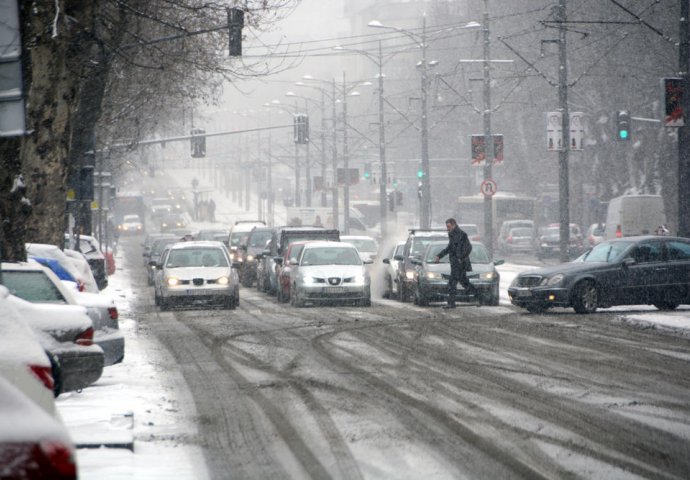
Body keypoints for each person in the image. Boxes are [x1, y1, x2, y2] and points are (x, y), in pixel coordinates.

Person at [434, 217, 477, 309]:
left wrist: (460, 257)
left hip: (459, 264)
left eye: (448, 226)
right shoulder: (453, 234)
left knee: (452, 283)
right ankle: (479, 297)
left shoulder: (461, 234)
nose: (447, 228)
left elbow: (468, 247)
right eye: (447, 227)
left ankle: (451, 303)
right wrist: (439, 256)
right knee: (464, 283)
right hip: (456, 263)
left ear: (454, 225)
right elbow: (449, 248)